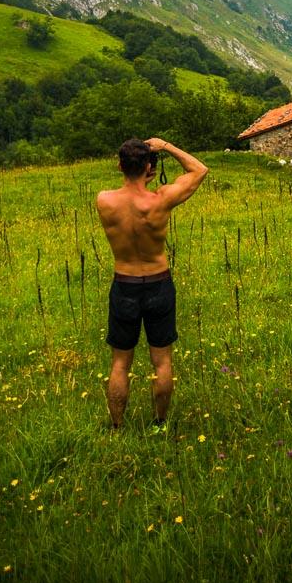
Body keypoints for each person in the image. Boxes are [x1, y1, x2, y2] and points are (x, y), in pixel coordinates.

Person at [96, 137, 208, 432]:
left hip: (125, 284)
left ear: (120, 165)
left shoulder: (104, 200)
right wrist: (167, 146)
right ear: (149, 167)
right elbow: (199, 170)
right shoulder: (161, 200)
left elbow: (128, 194)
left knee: (120, 362)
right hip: (159, 283)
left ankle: (117, 425)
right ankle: (159, 423)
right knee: (161, 361)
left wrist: (140, 170)